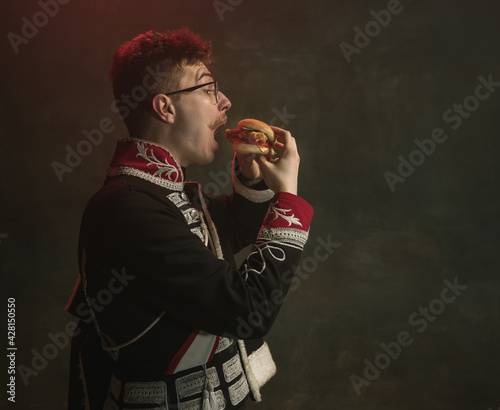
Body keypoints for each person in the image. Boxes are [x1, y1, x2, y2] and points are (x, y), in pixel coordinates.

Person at [65, 28, 314, 410]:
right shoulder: (127, 208)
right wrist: (288, 198)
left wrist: (251, 178)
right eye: (208, 89)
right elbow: (247, 310)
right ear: (165, 107)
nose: (225, 102)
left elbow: (225, 233)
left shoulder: (159, 191)